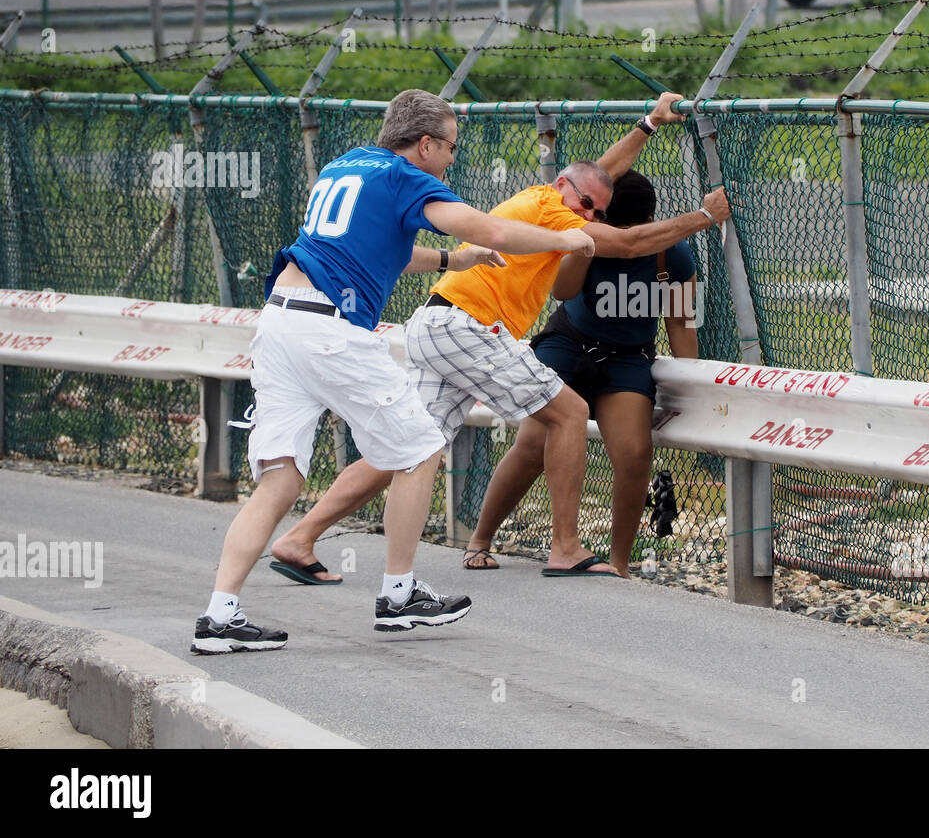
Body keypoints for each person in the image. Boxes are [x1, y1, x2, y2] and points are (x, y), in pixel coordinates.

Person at [190, 88, 595, 654]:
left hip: (280, 322)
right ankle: (399, 595)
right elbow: (493, 231)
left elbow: (384, 251)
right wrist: (566, 237)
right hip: (330, 330)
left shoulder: (346, 164)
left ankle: (220, 615)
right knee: (422, 446)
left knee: (280, 478)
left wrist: (454, 261)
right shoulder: (408, 178)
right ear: (425, 143)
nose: (452, 157)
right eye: (450, 146)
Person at [269, 92, 730, 580]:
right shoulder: (555, 211)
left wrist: (650, 124)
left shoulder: (549, 198)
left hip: (436, 324)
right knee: (569, 412)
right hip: (465, 326)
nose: (590, 219)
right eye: (588, 208)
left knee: (405, 447)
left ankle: (299, 537)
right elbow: (631, 239)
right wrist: (705, 218)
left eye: (597, 212)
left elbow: (598, 177)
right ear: (563, 188)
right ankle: (566, 548)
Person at [465, 170, 698, 578]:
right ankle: (480, 539)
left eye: (631, 227)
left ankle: (619, 562)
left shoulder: (670, 255)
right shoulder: (586, 239)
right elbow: (563, 292)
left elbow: (680, 322)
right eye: (608, 223)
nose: (622, 234)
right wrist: (583, 245)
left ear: (648, 222)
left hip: (627, 356)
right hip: (570, 344)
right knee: (534, 441)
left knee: (634, 453)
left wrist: (691, 385)